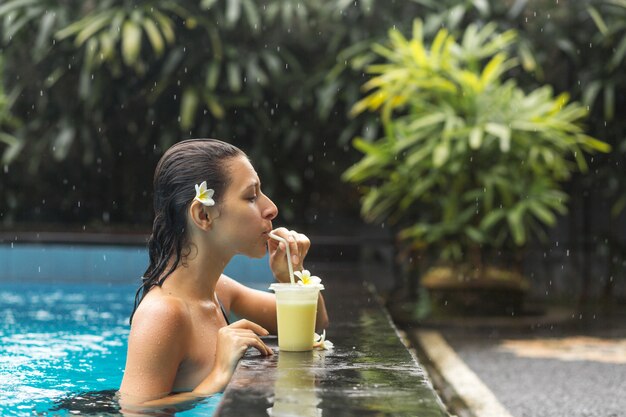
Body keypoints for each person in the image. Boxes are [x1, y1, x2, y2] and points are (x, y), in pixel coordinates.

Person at [118, 139, 329, 408]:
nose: (271, 208)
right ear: (204, 215)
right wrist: (218, 377)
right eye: (251, 197)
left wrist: (292, 273)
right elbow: (134, 412)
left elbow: (316, 323)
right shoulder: (164, 314)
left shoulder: (220, 291)